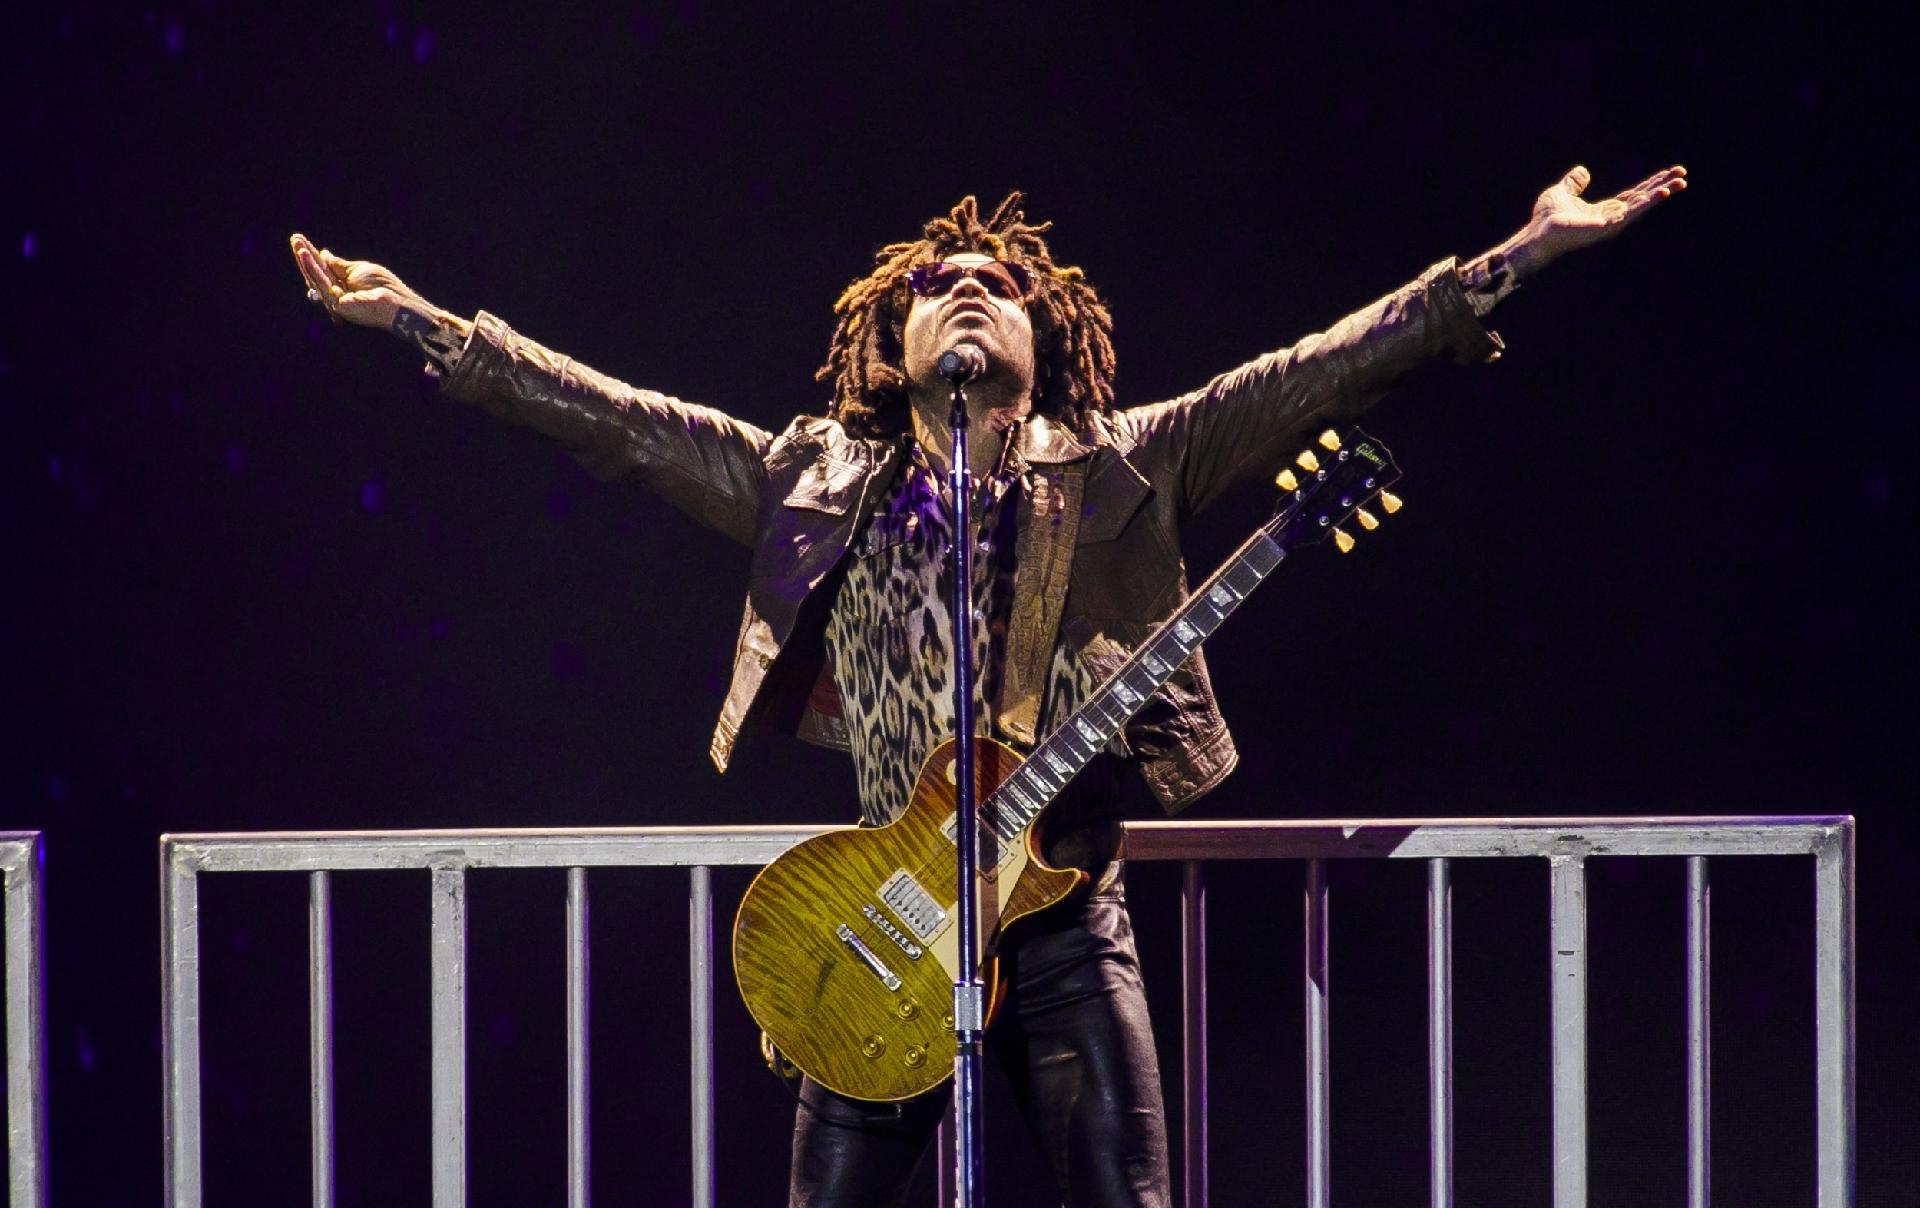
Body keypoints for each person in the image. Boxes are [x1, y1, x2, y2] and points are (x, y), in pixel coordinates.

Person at [290, 163, 1685, 1206]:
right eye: (933, 282)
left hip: (1069, 922)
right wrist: (425, 323)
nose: (967, 282)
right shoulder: (810, 481)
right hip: (886, 926)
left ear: (1047, 338)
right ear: (887, 354)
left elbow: (1327, 366)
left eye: (1000, 280)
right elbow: (610, 420)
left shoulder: (1132, 462)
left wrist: (1519, 257)